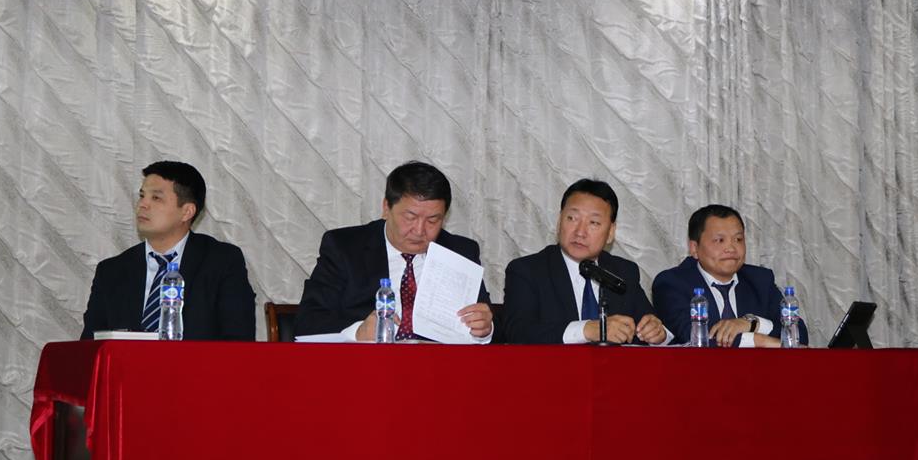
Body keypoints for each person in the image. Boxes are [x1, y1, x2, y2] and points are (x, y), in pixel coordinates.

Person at [294, 161, 493, 342]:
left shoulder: (460, 252)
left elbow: (493, 329)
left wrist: (485, 330)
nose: (419, 230)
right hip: (366, 364)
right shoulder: (345, 247)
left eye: (433, 220)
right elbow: (308, 322)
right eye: (410, 217)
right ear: (386, 208)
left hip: (440, 365)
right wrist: (358, 333)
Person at [80, 161, 256, 340]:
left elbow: (238, 341)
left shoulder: (221, 262)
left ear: (187, 212)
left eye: (156, 198)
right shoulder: (111, 271)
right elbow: (90, 346)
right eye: (142, 196)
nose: (142, 205)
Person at [503, 179, 668, 345]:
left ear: (611, 232)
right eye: (572, 218)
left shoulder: (623, 271)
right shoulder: (527, 271)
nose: (580, 232)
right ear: (559, 222)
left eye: (593, 223)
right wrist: (587, 330)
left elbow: (651, 326)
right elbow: (518, 332)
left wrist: (657, 333)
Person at [652, 204, 808, 348]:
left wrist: (752, 323)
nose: (731, 248)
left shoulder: (760, 280)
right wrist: (759, 340)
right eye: (719, 240)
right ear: (694, 248)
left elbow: (799, 333)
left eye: (738, 239)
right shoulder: (672, 283)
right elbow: (696, 338)